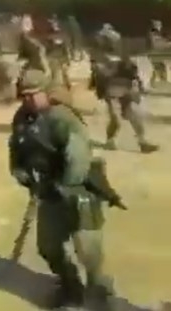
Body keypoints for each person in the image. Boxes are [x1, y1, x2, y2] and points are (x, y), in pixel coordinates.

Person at [9, 68, 116, 310]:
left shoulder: (63, 118)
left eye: (33, 94)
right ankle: (70, 287)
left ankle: (99, 292)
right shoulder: (22, 118)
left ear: (47, 92)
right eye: (23, 95)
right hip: (48, 190)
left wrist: (63, 185)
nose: (27, 100)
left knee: (88, 248)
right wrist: (20, 172)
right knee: (48, 246)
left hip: (79, 189)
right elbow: (17, 147)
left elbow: (77, 159)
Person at [90, 24, 158, 153]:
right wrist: (114, 68)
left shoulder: (121, 53)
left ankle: (142, 142)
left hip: (125, 88)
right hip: (110, 90)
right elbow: (102, 73)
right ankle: (110, 141)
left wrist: (138, 84)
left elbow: (133, 70)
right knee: (116, 118)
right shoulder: (97, 55)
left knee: (134, 116)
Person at [44, 18, 71, 89]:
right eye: (53, 24)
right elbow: (47, 49)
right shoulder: (49, 36)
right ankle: (53, 88)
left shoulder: (62, 35)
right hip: (52, 57)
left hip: (62, 57)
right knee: (54, 74)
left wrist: (67, 59)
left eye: (56, 24)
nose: (55, 26)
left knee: (65, 73)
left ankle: (67, 85)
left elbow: (65, 48)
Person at [147, 20, 170, 86]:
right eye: (159, 25)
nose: (160, 26)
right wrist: (168, 43)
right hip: (155, 55)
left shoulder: (155, 34)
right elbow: (160, 43)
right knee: (158, 69)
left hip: (156, 55)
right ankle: (154, 82)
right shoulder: (154, 33)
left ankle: (161, 81)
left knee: (159, 68)